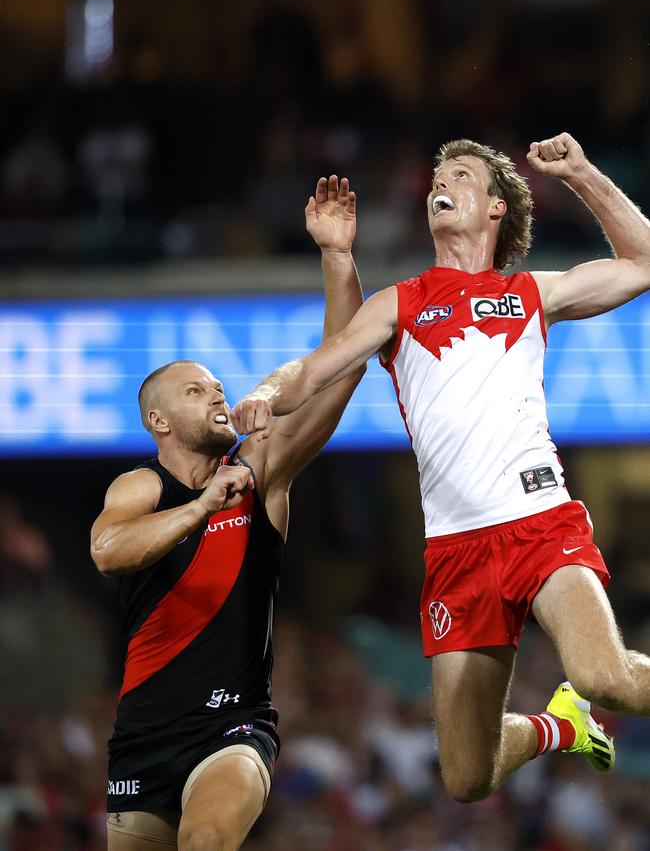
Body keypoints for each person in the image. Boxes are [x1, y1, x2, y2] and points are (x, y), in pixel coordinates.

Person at [232, 133, 650, 803]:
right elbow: (313, 367)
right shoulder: (400, 303)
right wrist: (264, 392)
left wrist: (580, 174)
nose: (438, 183)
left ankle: (587, 700)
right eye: (435, 175)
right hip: (456, 551)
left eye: (459, 174)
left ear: (494, 210)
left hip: (541, 521)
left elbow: (644, 260)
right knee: (465, 775)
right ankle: (561, 727)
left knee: (604, 675)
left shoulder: (529, 292)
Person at [91, 175, 363, 850]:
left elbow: (342, 370)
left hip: (233, 728)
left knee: (206, 839)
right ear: (159, 418)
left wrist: (336, 256)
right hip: (140, 738)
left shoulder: (258, 468)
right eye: (195, 389)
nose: (215, 394)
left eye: (217, 385)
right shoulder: (139, 486)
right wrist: (201, 508)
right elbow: (108, 551)